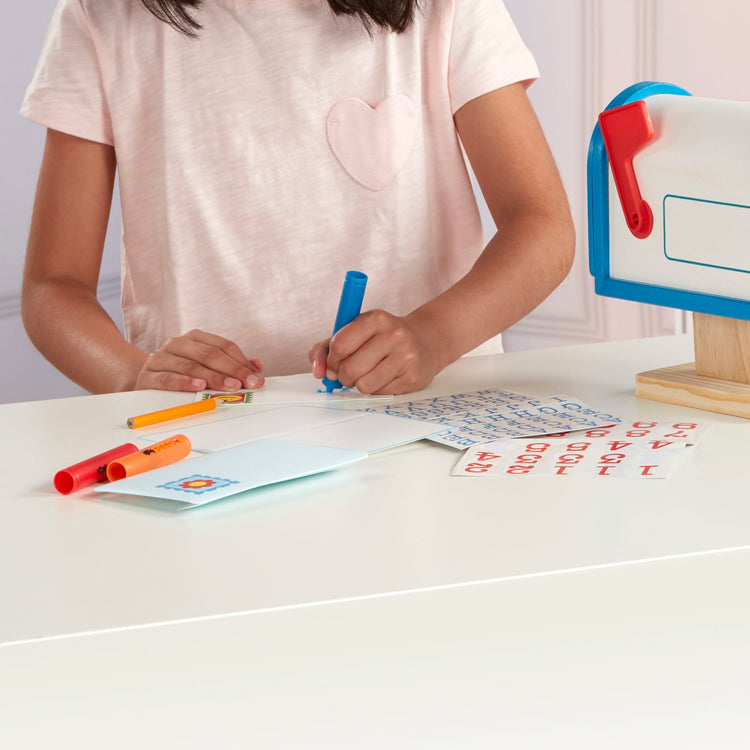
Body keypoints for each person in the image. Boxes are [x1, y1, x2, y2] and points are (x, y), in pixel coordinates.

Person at [20, 0, 575, 396]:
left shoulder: (445, 8)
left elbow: (543, 227)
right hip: (212, 437)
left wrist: (433, 336)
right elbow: (54, 288)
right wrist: (132, 376)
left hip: (430, 421)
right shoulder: (103, 16)